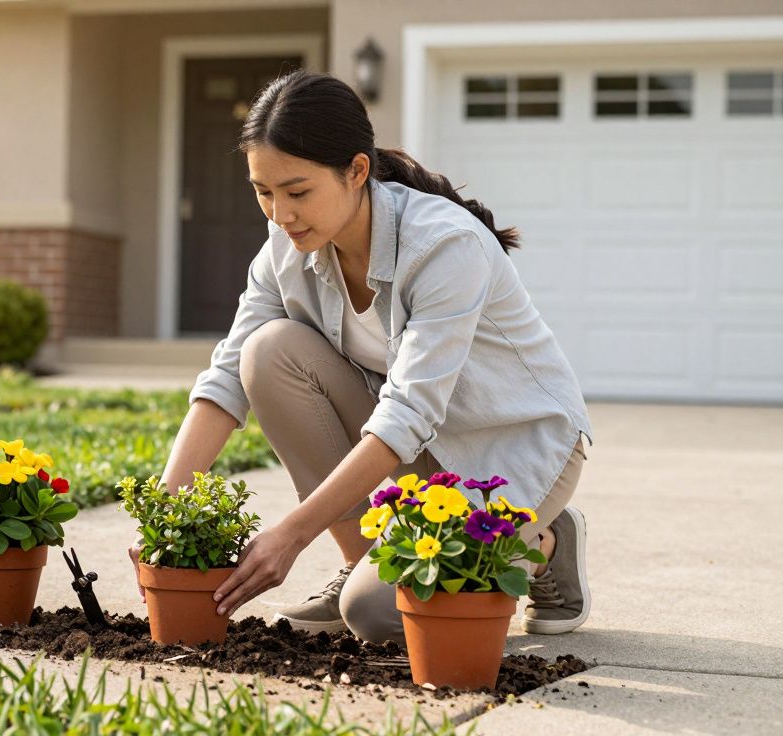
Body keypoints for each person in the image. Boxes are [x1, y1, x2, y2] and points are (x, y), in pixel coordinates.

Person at [133, 70, 593, 644]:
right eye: (263, 192)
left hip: (508, 452)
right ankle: (359, 561)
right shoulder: (285, 248)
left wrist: (293, 534)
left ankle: (545, 542)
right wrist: (165, 512)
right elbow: (228, 376)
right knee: (268, 351)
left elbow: (408, 412)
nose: (280, 214)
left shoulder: (444, 246)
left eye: (297, 192)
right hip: (415, 450)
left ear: (356, 171)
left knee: (378, 614)